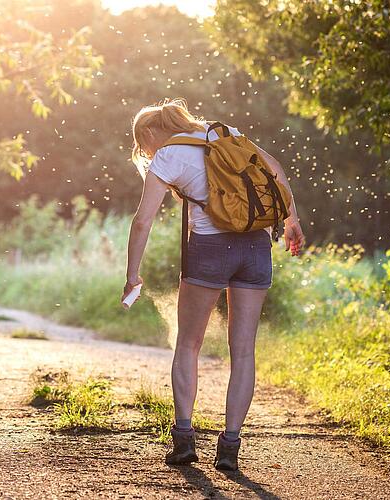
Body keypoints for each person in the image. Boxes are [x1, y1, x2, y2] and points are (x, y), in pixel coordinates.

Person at [122, 98, 305, 471]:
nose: (147, 153)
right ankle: (230, 448)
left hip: (208, 249)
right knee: (243, 352)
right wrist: (291, 221)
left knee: (188, 344)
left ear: (150, 134)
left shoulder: (169, 155)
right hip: (255, 246)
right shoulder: (225, 134)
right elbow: (275, 169)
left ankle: (185, 441)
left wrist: (132, 274)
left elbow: (143, 221)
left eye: (144, 146)